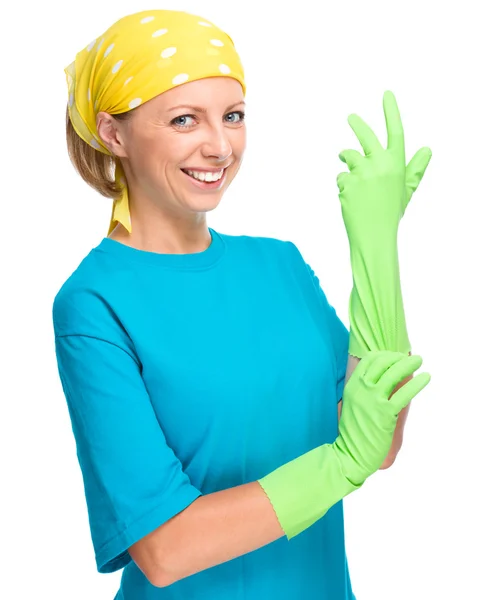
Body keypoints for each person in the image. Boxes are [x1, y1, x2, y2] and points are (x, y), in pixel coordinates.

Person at [52, 9, 432, 600]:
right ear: (113, 133)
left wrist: (377, 248)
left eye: (233, 117)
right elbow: (163, 548)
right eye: (185, 119)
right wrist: (337, 466)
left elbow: (377, 444)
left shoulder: (280, 265)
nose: (220, 146)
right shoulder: (95, 304)